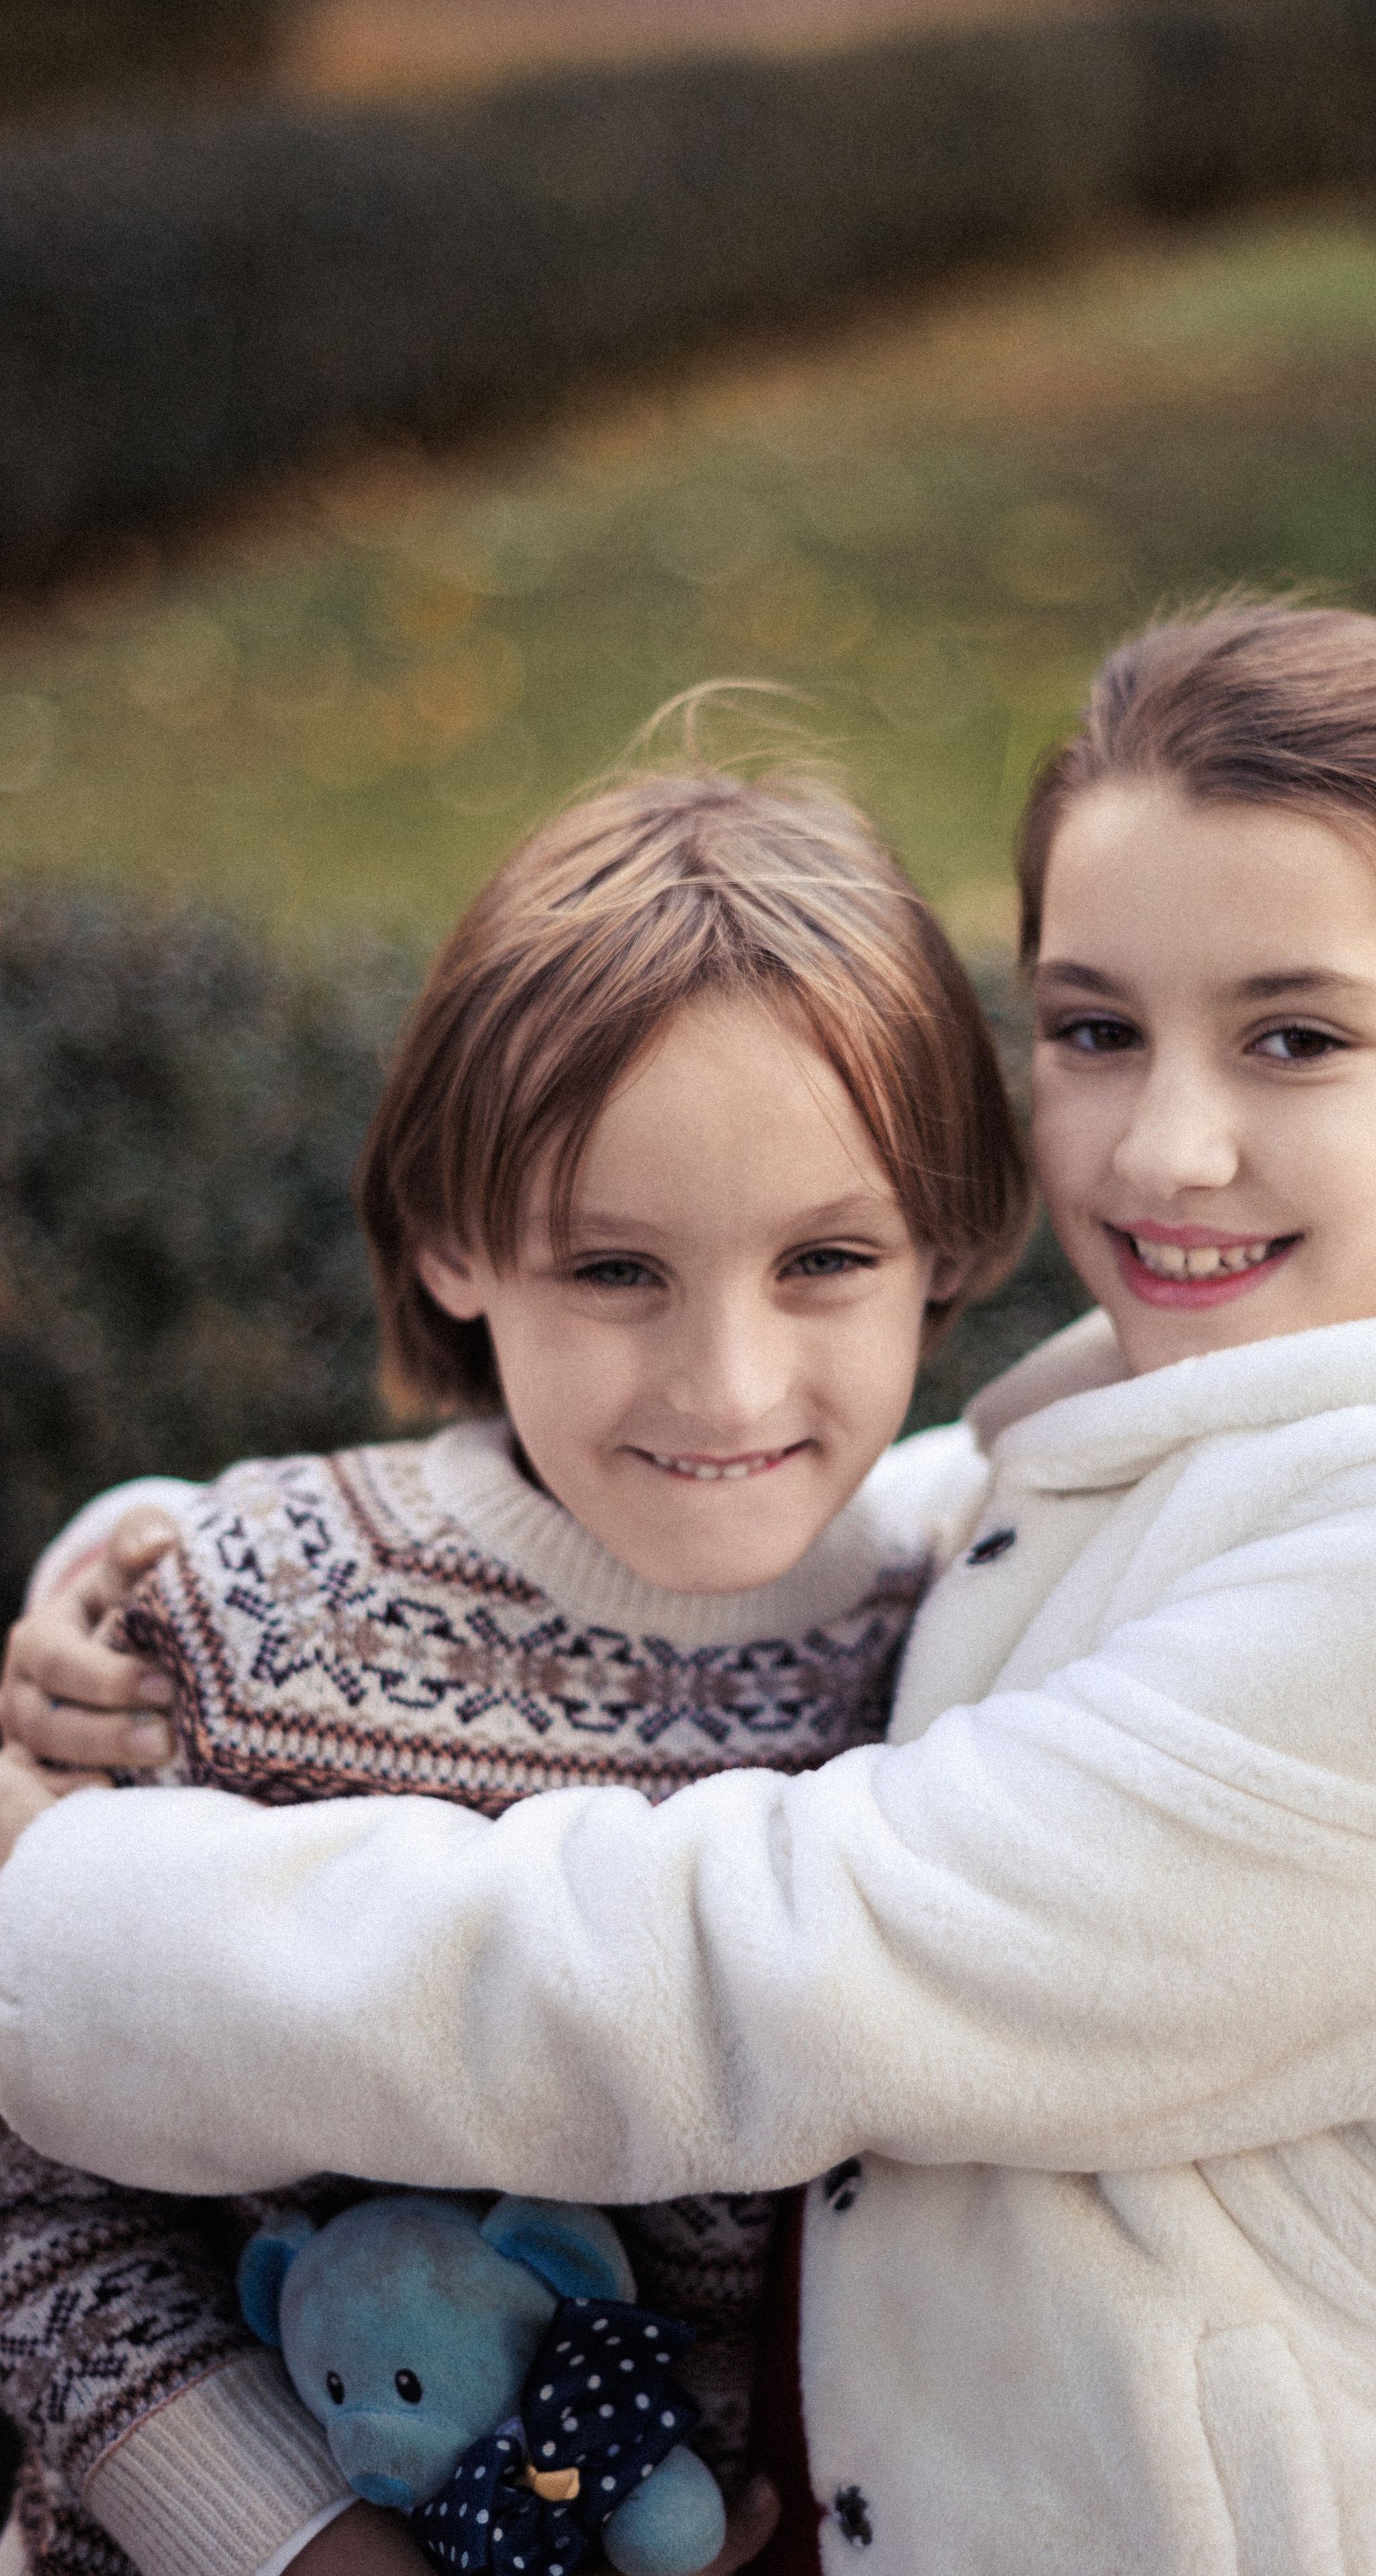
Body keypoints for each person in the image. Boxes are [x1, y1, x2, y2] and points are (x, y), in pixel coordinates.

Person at [0, 603, 1376, 2573]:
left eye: (1295, 1038)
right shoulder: (1090, 1473)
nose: (1167, 1144)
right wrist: (148, 1569)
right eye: (1094, 1028)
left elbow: (777, 1966)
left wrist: (47, 1908)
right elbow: (721, 1533)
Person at [0, 762, 1033, 2576]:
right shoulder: (247, 1610)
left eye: (824, 1259)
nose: (726, 1384)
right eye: (617, 1269)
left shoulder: (968, 1637)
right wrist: (301, 2541)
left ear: (948, 1242)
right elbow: (38, 2185)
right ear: (455, 1243)